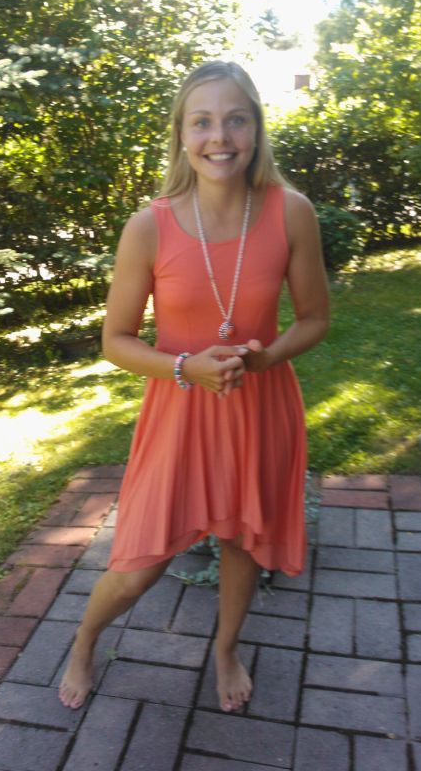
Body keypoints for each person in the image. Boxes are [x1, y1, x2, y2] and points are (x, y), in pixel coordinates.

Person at [59, 60, 330, 714]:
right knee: (139, 567)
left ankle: (226, 650)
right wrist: (186, 367)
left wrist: (264, 360)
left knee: (241, 543)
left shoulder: (291, 212)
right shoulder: (149, 226)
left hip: (259, 407)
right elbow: (116, 340)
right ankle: (83, 642)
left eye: (236, 120)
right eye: (202, 122)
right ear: (181, 135)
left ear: (256, 129)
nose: (220, 137)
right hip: (179, 413)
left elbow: (315, 319)